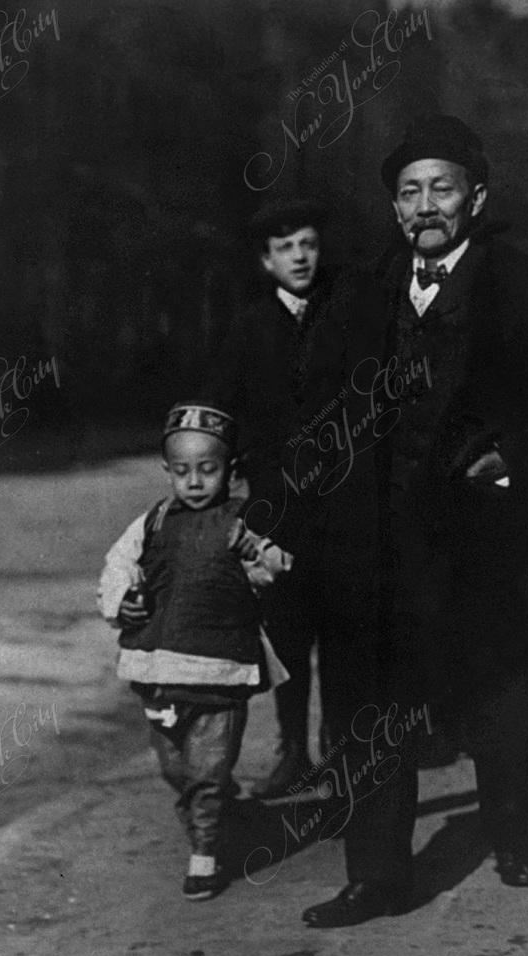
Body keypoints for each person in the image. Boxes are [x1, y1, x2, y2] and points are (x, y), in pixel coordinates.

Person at [291, 115, 528, 927]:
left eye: (442, 188)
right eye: (409, 192)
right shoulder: (360, 293)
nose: (425, 206)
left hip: (476, 539)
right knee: (370, 707)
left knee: (493, 696)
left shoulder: (527, 285)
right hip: (376, 545)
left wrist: (514, 458)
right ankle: (377, 876)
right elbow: (316, 409)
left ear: (477, 196)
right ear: (395, 208)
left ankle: (508, 831)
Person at [97, 402, 291, 900]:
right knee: (175, 768)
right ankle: (216, 802)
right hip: (160, 665)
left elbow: (275, 567)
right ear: (167, 473)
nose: (196, 482)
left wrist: (258, 555)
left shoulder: (242, 520)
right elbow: (117, 567)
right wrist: (125, 603)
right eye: (183, 472)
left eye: (208, 470)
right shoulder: (154, 522)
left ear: (229, 470)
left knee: (206, 768)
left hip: (220, 666)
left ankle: (204, 853)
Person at [211, 198, 336, 799]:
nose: (300, 257)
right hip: (277, 503)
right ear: (267, 262)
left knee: (342, 631)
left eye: (308, 244)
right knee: (287, 632)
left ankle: (342, 750)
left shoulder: (345, 317)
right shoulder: (249, 328)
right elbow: (224, 409)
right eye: (285, 249)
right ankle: (294, 751)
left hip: (342, 504)